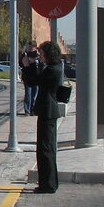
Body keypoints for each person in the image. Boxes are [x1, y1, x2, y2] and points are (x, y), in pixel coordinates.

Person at [23, 40, 64, 193]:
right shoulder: (56, 67)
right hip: (49, 111)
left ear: (48, 54)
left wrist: (29, 65)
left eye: (42, 54)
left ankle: (47, 185)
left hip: (48, 111)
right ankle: (50, 183)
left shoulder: (52, 70)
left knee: (45, 149)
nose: (40, 56)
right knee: (48, 148)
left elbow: (33, 81)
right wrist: (35, 64)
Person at [19, 45, 42, 115]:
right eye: (30, 50)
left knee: (35, 94)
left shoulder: (38, 57)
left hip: (36, 78)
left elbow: (41, 66)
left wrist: (37, 58)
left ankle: (33, 110)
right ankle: (27, 110)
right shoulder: (25, 55)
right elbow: (21, 64)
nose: (32, 53)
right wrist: (27, 62)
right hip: (27, 78)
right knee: (28, 94)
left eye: (33, 50)